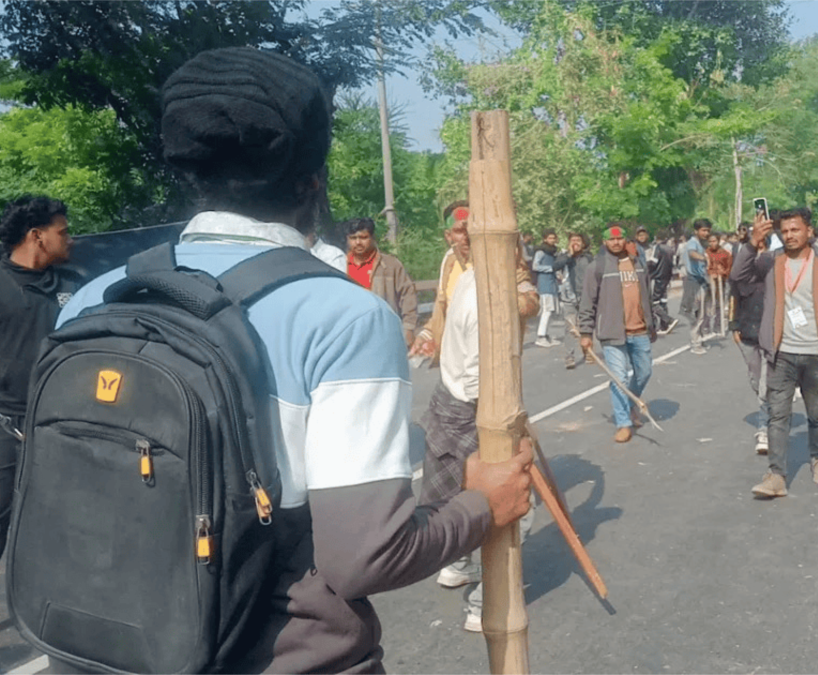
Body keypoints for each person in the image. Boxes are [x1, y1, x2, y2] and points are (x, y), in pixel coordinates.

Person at [56, 48, 533, 673]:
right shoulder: (341, 316)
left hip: (103, 648)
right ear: (312, 179)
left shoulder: (96, 298)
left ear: (189, 171)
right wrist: (480, 505)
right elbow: (364, 557)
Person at [422, 241, 539, 633]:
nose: (521, 259)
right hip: (474, 410)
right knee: (514, 508)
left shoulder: (470, 278)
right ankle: (483, 604)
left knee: (459, 493)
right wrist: (509, 423)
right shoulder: (488, 303)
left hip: (448, 400)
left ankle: (458, 565)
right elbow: (478, 379)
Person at [731, 208, 818, 497]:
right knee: (778, 414)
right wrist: (752, 243)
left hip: (816, 352)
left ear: (809, 231)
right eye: (784, 231)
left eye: (795, 230)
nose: (789, 236)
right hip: (781, 352)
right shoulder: (771, 262)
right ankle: (776, 475)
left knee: (817, 412)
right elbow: (738, 277)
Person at [0, 195, 77, 561]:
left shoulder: (76, 287)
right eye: (62, 231)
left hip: (62, 428)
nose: (70, 238)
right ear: (37, 236)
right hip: (6, 430)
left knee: (64, 530)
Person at [579, 225, 656, 443]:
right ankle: (624, 423)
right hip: (612, 333)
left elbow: (646, 297)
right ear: (604, 242)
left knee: (645, 372)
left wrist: (651, 324)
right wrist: (586, 332)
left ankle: (631, 404)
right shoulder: (597, 267)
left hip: (639, 329)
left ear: (625, 240)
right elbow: (587, 302)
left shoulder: (638, 263)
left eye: (620, 238)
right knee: (619, 378)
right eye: (611, 240)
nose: (616, 243)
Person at [410, 201, 472, 365]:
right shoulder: (450, 262)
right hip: (455, 358)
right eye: (459, 231)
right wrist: (427, 334)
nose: (466, 237)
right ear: (448, 235)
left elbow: (527, 298)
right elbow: (443, 308)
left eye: (470, 229)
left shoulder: (498, 259)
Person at [344, 216, 420, 346]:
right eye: (353, 238)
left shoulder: (390, 265)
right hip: (351, 336)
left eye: (363, 237)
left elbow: (408, 295)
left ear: (373, 238)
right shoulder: (340, 265)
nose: (358, 242)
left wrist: (408, 327)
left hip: (384, 334)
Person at [730, 227, 771, 455]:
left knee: (765, 386)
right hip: (746, 334)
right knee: (756, 382)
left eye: (763, 246)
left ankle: (764, 429)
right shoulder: (740, 275)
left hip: (770, 336)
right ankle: (769, 409)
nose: (760, 251)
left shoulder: (773, 272)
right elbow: (733, 299)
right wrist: (733, 326)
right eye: (756, 246)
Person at [560, 231, 594, 368]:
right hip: (569, 296)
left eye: (578, 240)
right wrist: (569, 254)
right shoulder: (565, 256)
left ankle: (589, 352)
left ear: (583, 243)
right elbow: (556, 266)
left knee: (586, 325)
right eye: (572, 240)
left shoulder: (588, 258)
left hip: (585, 295)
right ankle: (569, 357)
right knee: (570, 327)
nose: (575, 243)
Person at [681, 219, 713, 354]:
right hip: (693, 282)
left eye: (707, 230)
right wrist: (704, 258)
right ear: (696, 231)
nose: (706, 233)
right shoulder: (692, 243)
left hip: (701, 281)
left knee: (703, 313)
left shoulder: (700, 244)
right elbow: (691, 253)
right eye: (703, 230)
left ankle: (699, 339)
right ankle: (695, 344)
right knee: (697, 314)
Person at [532, 229, 567, 347]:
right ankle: (540, 336)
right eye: (550, 238)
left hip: (552, 284)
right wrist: (550, 268)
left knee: (552, 311)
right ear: (545, 239)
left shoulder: (553, 253)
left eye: (553, 238)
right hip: (544, 284)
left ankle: (546, 334)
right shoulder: (541, 252)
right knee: (547, 310)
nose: (552, 240)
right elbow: (535, 266)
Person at [645, 229, 678, 334]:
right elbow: (673, 264)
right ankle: (664, 326)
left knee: (654, 302)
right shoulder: (670, 249)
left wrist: (644, 266)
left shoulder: (657, 248)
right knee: (663, 301)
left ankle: (669, 319)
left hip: (657, 277)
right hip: (666, 278)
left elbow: (653, 262)